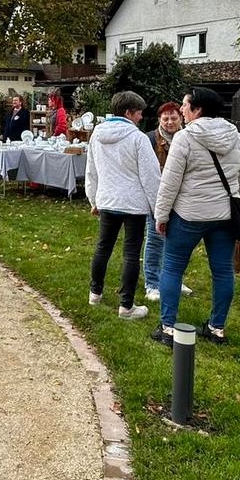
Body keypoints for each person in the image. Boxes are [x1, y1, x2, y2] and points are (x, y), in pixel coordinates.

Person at [152, 87, 240, 346]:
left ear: (198, 110)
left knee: (172, 266)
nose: (181, 110)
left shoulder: (185, 138)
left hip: (189, 214)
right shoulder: (238, 139)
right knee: (222, 271)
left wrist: (161, 215)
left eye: (186, 106)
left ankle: (168, 327)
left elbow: (170, 182)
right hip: (225, 216)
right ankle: (217, 328)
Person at [86, 91, 161, 321]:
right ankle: (126, 306)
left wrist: (93, 199)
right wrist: (158, 209)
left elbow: (92, 170)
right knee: (130, 254)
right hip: (133, 204)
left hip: (107, 200)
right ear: (128, 113)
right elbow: (151, 176)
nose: (140, 117)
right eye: (138, 113)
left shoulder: (97, 134)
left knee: (103, 248)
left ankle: (95, 293)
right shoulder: (138, 138)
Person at [144, 102, 192, 304]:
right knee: (155, 239)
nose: (170, 122)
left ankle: (173, 280)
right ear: (159, 120)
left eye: (174, 118)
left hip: (182, 197)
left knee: (178, 242)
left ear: (180, 118)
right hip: (158, 197)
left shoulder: (189, 138)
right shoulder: (150, 139)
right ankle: (152, 283)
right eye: (166, 119)